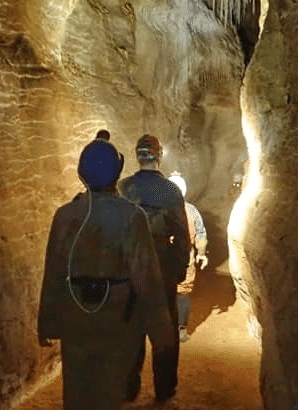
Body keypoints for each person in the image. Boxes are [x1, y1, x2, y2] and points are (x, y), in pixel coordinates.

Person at [38, 138, 173, 410]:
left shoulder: (65, 215)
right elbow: (146, 278)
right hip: (117, 321)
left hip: (76, 319)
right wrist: (161, 332)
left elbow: (53, 272)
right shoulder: (130, 216)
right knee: (109, 393)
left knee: (76, 392)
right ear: (117, 172)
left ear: (81, 173)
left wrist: (47, 321)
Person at [118, 134, 190, 404]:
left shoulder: (124, 188)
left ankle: (127, 388)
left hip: (128, 268)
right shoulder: (171, 191)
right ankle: (164, 390)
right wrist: (179, 269)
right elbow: (182, 235)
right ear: (159, 155)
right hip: (161, 267)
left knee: (129, 328)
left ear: (137, 155)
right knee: (165, 332)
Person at [168, 172, 208, 342]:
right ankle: (181, 330)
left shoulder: (159, 210)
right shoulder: (191, 210)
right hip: (186, 259)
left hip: (164, 259)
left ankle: (165, 328)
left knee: (165, 293)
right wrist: (200, 254)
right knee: (182, 294)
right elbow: (201, 234)